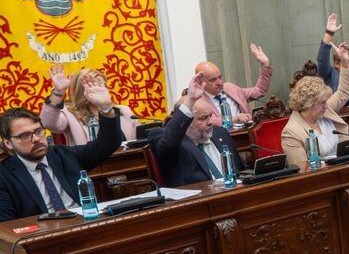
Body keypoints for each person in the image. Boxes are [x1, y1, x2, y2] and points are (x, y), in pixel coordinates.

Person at [0, 76, 122, 221]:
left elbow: (108, 143)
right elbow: (7, 226)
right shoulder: (4, 176)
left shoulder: (64, 155)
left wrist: (105, 108)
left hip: (85, 224)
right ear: (8, 143)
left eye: (38, 131)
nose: (37, 139)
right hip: (42, 236)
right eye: (25, 136)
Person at [149, 74, 239, 187]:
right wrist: (190, 100)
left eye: (210, 116)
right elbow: (169, 142)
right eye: (203, 118)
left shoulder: (220, 133)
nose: (210, 122)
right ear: (187, 120)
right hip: (200, 200)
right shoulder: (171, 141)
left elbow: (239, 171)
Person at [281, 45, 349, 171]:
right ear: (307, 104)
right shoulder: (291, 132)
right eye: (322, 102)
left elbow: (343, 92)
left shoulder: (324, 110)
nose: (326, 105)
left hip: (345, 170)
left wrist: (344, 63)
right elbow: (301, 171)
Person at [41, 65, 137, 144]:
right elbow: (47, 123)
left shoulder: (124, 111)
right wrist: (58, 91)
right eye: (96, 86)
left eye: (104, 85)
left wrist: (105, 106)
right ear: (81, 92)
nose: (103, 90)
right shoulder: (69, 114)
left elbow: (139, 141)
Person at [189, 43, 274, 124]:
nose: (219, 83)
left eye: (220, 77)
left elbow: (259, 91)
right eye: (213, 80)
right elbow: (203, 122)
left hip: (245, 135)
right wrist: (231, 120)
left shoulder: (230, 88)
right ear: (200, 82)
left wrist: (265, 64)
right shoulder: (198, 101)